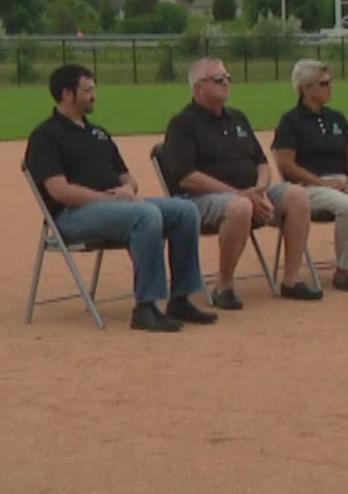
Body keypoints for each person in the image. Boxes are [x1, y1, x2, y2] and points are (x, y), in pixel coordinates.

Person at [25, 64, 220, 332]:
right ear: (67, 94)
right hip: (73, 216)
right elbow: (59, 190)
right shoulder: (45, 136)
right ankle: (146, 306)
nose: (94, 95)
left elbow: (127, 177)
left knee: (184, 210)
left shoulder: (98, 134)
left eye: (94, 89)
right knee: (146, 215)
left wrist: (128, 190)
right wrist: (107, 200)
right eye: (88, 90)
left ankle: (180, 299)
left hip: (116, 207)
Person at [161, 57, 322, 307]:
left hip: (250, 193)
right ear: (198, 88)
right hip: (201, 200)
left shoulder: (237, 117)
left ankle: (291, 280)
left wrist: (260, 188)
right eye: (218, 79)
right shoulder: (182, 124)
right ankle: (224, 286)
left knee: (297, 195)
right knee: (239, 207)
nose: (226, 83)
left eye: (227, 78)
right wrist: (239, 194)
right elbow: (187, 177)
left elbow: (262, 161)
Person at [272, 59, 348, 293]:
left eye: (330, 82)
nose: (330, 87)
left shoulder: (336, 118)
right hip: (308, 186)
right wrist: (322, 183)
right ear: (306, 89)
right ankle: (342, 271)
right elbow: (286, 165)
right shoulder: (291, 121)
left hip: (341, 181)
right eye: (323, 83)